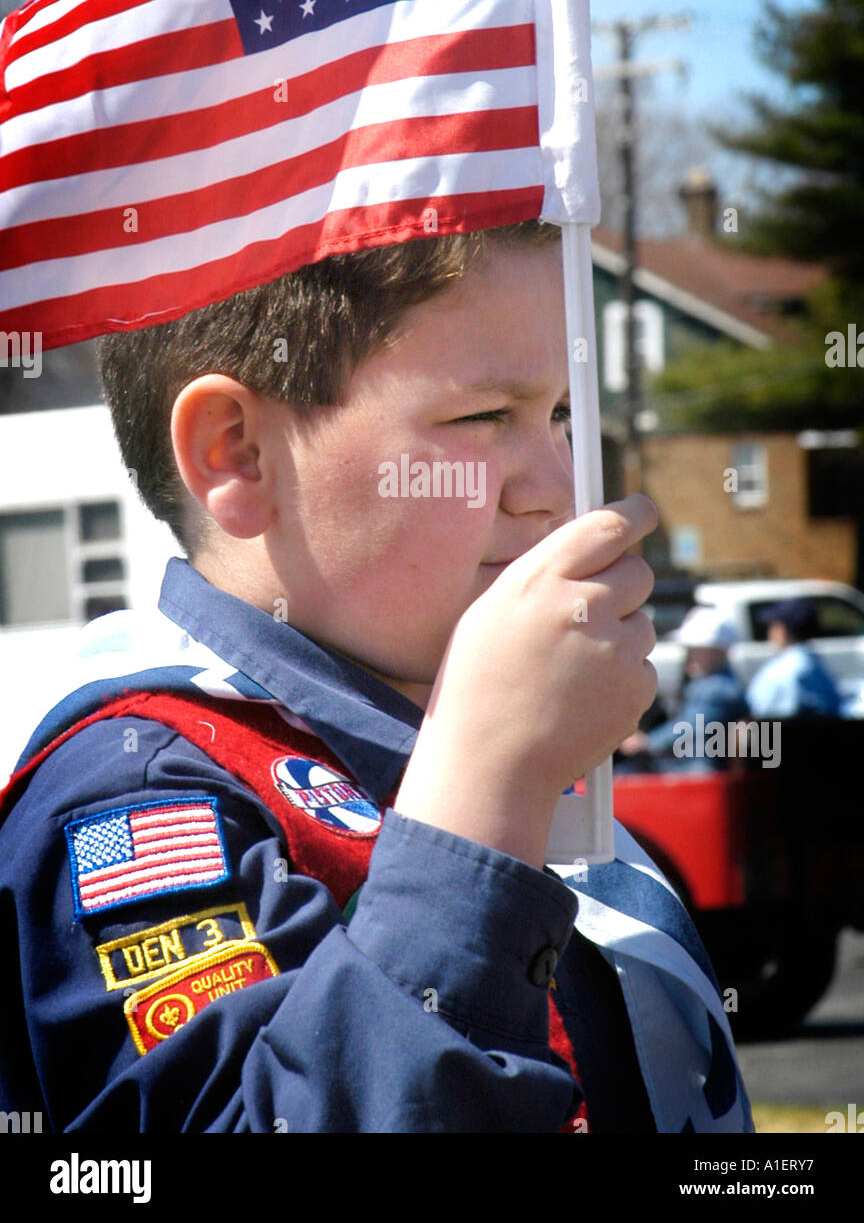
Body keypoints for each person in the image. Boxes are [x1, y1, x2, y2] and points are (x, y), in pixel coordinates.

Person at [0, 227, 751, 1132]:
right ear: (237, 451)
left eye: (561, 415)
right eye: (484, 418)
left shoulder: (445, 740)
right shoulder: (143, 790)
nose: (561, 486)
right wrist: (486, 787)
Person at [618, 606, 746, 771]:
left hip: (699, 771)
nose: (690, 656)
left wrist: (647, 742)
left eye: (698, 650)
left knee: (625, 773)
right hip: (693, 767)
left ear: (719, 652)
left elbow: (691, 725)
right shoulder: (715, 685)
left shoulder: (717, 690)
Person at [747, 599, 844, 718]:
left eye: (772, 626)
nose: (769, 633)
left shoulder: (786, 669)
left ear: (781, 630)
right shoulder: (813, 663)